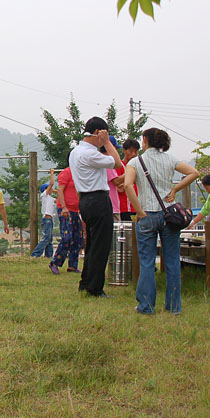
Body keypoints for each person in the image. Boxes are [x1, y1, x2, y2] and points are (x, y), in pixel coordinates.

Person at [124, 128, 200, 314]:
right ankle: (174, 307)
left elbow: (127, 185)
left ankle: (146, 306)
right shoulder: (170, 159)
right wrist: (175, 190)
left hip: (147, 214)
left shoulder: (135, 161)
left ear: (145, 141)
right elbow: (194, 173)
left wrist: (139, 210)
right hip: (169, 215)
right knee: (172, 261)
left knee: (147, 262)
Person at [68, 116, 123, 297]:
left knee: (91, 243)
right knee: (100, 245)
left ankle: (86, 282)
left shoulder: (75, 152)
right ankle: (95, 288)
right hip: (98, 199)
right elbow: (117, 162)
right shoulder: (91, 153)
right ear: (99, 133)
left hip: (84, 199)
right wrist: (107, 143)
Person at [49, 165, 84, 274]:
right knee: (67, 237)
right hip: (65, 210)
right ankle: (55, 262)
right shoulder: (66, 173)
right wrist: (64, 207)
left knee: (78, 238)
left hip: (76, 210)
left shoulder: (80, 173)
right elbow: (60, 190)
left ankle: (73, 266)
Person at [31, 170, 57, 258]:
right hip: (46, 219)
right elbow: (52, 183)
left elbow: (60, 198)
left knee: (49, 239)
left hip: (50, 219)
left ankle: (49, 256)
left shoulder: (51, 199)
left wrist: (57, 191)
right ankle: (35, 254)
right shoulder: (44, 195)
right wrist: (52, 174)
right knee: (46, 238)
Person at [114, 139, 140, 221]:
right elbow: (116, 183)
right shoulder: (119, 166)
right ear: (124, 151)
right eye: (131, 151)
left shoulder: (138, 167)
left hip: (136, 207)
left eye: (136, 152)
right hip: (123, 207)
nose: (133, 154)